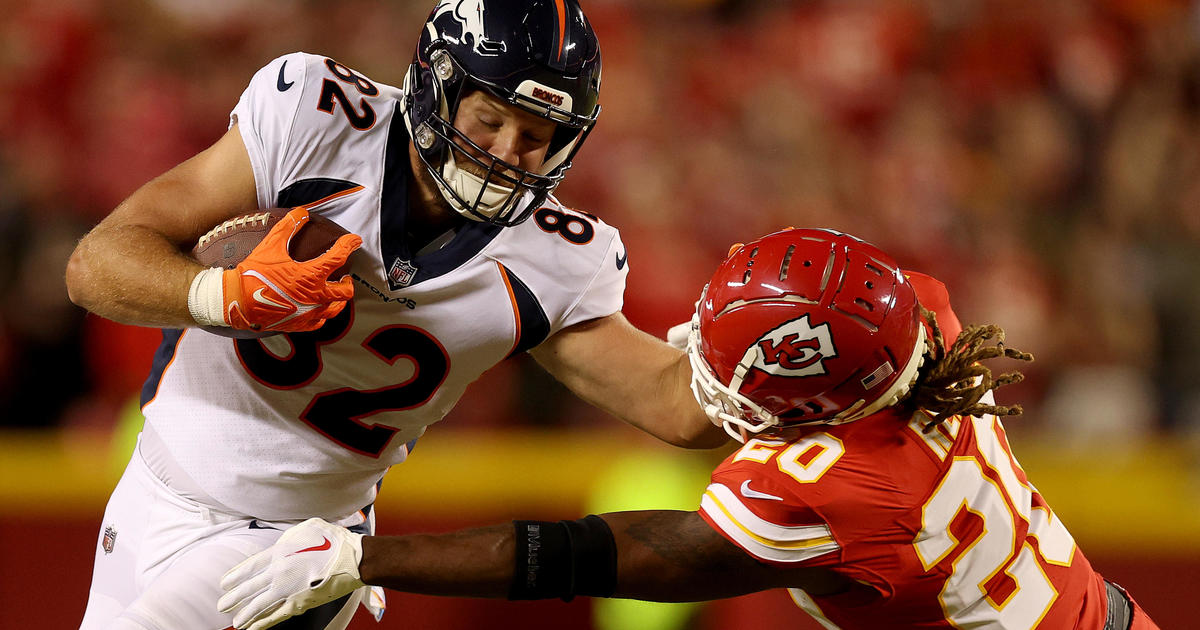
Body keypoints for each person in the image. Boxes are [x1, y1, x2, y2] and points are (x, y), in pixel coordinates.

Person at [64, 1, 725, 628]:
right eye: (491, 118)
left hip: (285, 545)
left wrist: (751, 357)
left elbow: (676, 408)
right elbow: (95, 265)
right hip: (151, 485)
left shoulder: (554, 260)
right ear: (437, 85)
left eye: (537, 134)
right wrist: (222, 295)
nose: (507, 151)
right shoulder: (316, 122)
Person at [216, 228, 1159, 630]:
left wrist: (370, 559)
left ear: (820, 406)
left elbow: (587, 556)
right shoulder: (923, 323)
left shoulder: (838, 485)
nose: (698, 354)